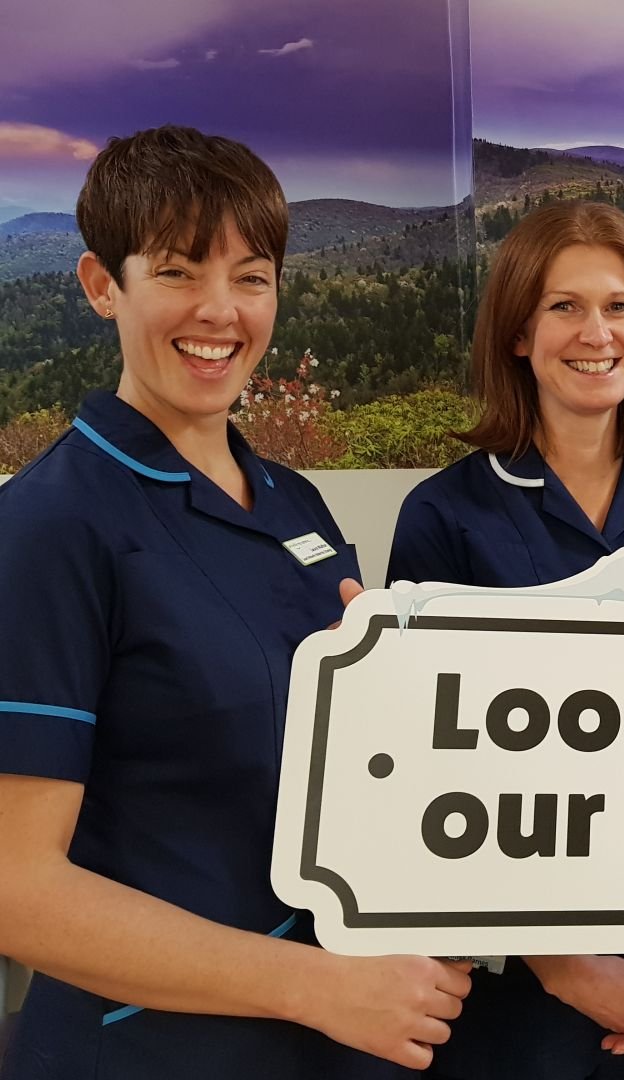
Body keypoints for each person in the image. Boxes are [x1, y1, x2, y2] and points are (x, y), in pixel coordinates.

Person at [0, 126, 471, 1080]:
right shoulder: (51, 525)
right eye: (177, 270)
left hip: (342, 1040)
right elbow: (17, 890)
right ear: (103, 286)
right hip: (160, 1052)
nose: (221, 311)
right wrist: (315, 984)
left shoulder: (293, 503)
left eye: (251, 277)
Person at [387, 201, 624, 1079]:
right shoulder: (445, 516)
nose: (597, 333)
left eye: (620, 307)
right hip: (508, 982)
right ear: (517, 333)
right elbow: (419, 771)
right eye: (564, 307)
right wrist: (560, 962)